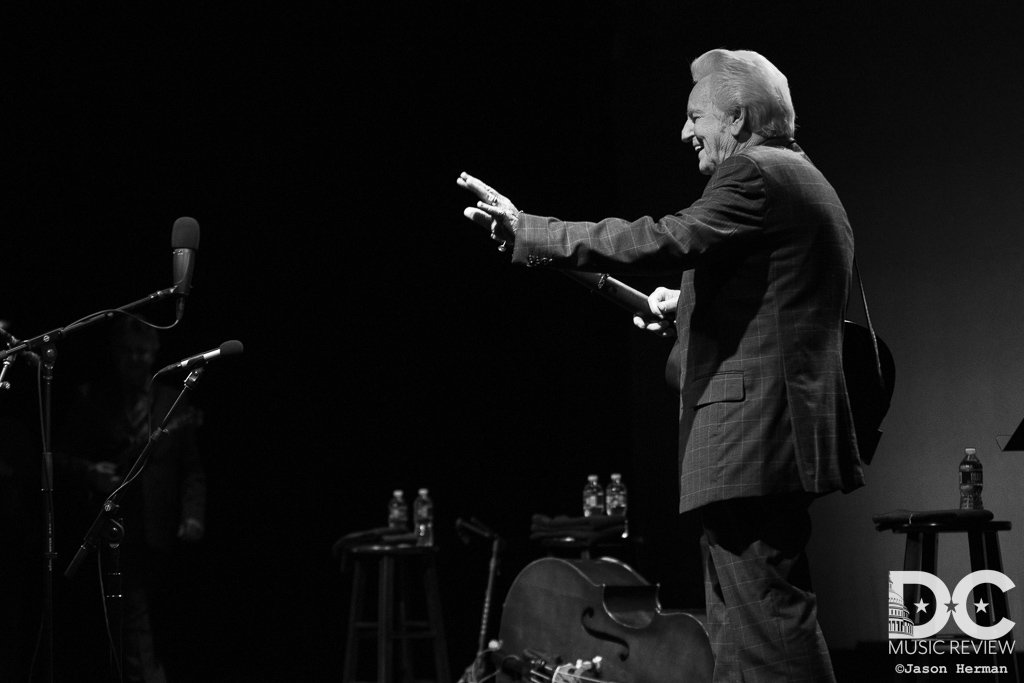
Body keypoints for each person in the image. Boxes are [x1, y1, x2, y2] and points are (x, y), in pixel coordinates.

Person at [458, 49, 864, 682]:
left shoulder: (755, 174)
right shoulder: (799, 177)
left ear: (737, 117)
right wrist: (686, 307)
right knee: (740, 623)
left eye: (694, 116)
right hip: (772, 435)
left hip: (753, 439)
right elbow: (777, 304)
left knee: (766, 621)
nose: (685, 132)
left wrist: (533, 231)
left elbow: (662, 237)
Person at [57, 316, 206, 683]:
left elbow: (192, 468)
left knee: (161, 619)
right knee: (131, 619)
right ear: (115, 354)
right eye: (128, 352)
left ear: (155, 353)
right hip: (116, 529)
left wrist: (193, 516)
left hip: (162, 529)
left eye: (142, 352)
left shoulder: (175, 401)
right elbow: (56, 456)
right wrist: (90, 472)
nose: (136, 359)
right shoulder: (92, 397)